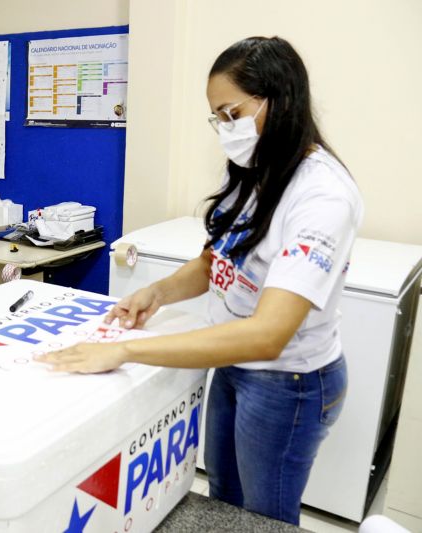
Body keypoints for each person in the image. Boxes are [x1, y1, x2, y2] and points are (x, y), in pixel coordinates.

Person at [35, 36, 363, 525]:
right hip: (231, 362)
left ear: (280, 101)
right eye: (218, 118)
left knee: (264, 518)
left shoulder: (322, 196)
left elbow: (268, 334)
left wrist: (125, 350)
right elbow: (216, 261)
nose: (226, 130)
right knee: (222, 499)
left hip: (287, 382)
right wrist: (156, 292)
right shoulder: (254, 172)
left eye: (233, 114)